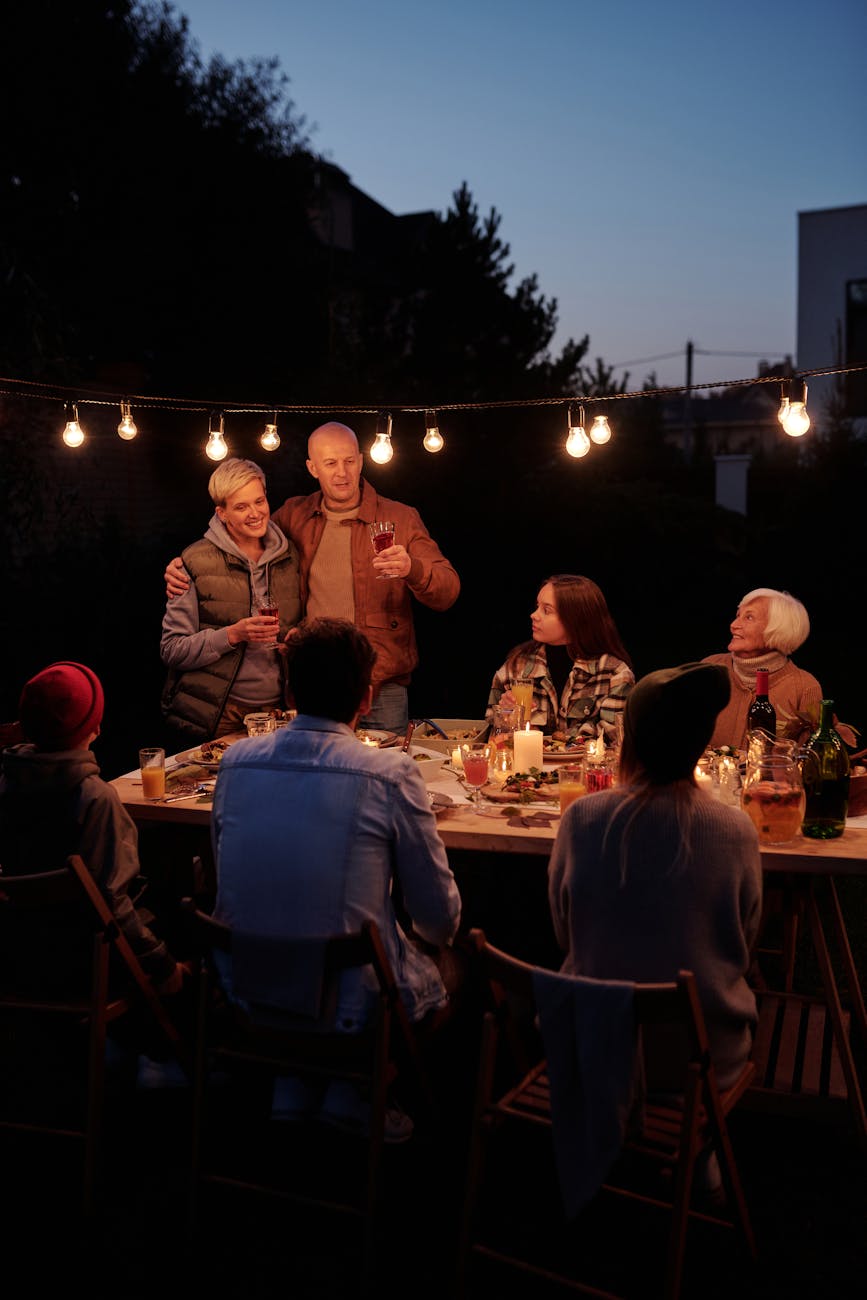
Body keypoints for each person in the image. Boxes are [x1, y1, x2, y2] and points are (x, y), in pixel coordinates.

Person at [211, 617, 462, 1137]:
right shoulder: (389, 773)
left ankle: (300, 1082)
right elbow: (439, 918)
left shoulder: (235, 763)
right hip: (352, 1014)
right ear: (367, 698)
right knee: (454, 963)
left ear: (290, 693)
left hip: (246, 994)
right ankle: (360, 1089)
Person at [548, 661, 762, 1092]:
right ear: (700, 744)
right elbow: (744, 939)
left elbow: (564, 933)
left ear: (629, 739)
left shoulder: (581, 819)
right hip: (701, 1061)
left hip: (595, 1050)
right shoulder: (735, 830)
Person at [164, 422, 460, 733]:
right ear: (312, 468)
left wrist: (412, 568)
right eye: (330, 463)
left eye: (349, 461)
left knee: (384, 762)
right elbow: (244, 531)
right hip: (315, 683)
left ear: (361, 461)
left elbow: (448, 591)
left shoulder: (400, 517)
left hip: (380, 682)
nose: (342, 473)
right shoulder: (294, 515)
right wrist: (185, 564)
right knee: (317, 761)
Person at [0, 661, 182, 994]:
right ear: (94, 727)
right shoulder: (95, 798)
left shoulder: (7, 784)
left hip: (22, 958)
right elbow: (113, 903)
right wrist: (162, 963)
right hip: (90, 964)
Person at [160, 458, 302, 744]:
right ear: (222, 513)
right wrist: (232, 635)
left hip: (278, 711)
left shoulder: (290, 556)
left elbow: (300, 622)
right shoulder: (193, 562)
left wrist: (297, 638)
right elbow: (172, 650)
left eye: (259, 501)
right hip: (219, 713)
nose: (255, 513)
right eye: (241, 507)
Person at [487, 574, 634, 743]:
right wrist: (507, 717)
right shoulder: (516, 667)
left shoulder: (615, 674)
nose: (534, 615)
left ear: (575, 618)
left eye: (546, 610)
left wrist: (544, 741)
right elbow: (492, 737)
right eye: (537, 607)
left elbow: (613, 739)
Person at [702, 587, 823, 750]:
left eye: (749, 617)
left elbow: (807, 760)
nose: (733, 625)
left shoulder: (805, 688)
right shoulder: (709, 669)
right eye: (738, 615)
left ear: (778, 629)